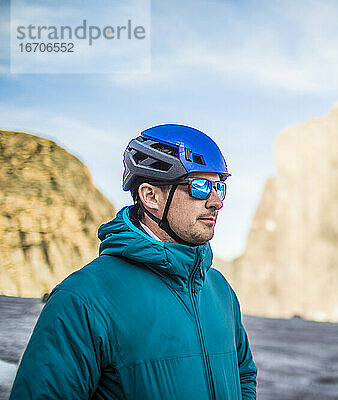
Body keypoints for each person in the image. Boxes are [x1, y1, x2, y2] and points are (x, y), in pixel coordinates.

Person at [10, 124, 257, 399]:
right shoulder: (82, 298)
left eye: (218, 187)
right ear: (150, 196)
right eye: (199, 186)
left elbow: (243, 374)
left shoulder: (218, 288)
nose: (216, 202)